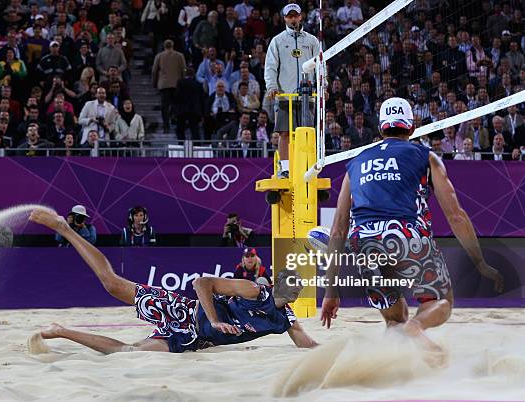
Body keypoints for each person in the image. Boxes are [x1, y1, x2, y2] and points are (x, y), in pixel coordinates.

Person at [321, 97, 504, 358]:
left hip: (365, 244)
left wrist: (330, 290)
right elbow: (456, 216)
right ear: (412, 128)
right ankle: (416, 327)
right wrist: (480, 262)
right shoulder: (425, 156)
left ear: (381, 129)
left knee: (394, 321)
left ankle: (396, 365)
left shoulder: (356, 163)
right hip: (407, 236)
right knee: (441, 302)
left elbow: (338, 230)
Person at [29, 208, 317, 353]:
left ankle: (61, 331)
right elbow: (201, 283)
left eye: (300, 283)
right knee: (112, 284)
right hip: (184, 310)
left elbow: (310, 347)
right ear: (280, 283)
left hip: (193, 340)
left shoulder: (286, 319)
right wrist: (215, 319)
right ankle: (65, 228)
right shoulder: (255, 290)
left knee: (127, 353)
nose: (300, 285)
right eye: (295, 280)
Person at [265, 4, 319, 178]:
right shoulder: (277, 41)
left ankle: (306, 167)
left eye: (296, 16)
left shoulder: (312, 41)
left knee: (307, 133)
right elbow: (271, 67)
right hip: (284, 95)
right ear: (285, 19)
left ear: (301, 17)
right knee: (284, 133)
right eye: (290, 16)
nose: (293, 19)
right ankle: (285, 168)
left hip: (306, 96)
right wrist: (272, 87)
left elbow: (321, 67)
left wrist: (322, 87)